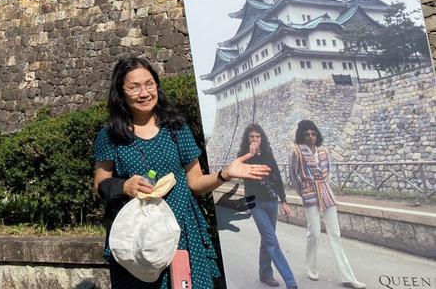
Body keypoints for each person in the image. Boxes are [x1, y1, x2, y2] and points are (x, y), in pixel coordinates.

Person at [93, 55, 271, 289]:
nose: (144, 93)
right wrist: (125, 186)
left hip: (181, 230)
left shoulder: (176, 127)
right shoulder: (110, 136)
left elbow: (195, 182)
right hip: (139, 238)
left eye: (149, 84)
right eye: (134, 87)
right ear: (121, 93)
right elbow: (100, 184)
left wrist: (225, 174)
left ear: (157, 85)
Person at [288, 120, 366, 289]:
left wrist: (324, 185)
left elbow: (328, 171)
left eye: (313, 133)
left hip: (325, 191)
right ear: (301, 135)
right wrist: (303, 192)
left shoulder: (324, 151)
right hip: (309, 192)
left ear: (317, 134)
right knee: (314, 232)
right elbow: (293, 175)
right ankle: (311, 267)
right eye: (307, 134)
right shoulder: (296, 151)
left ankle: (347, 277)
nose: (311, 137)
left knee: (335, 234)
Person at [237, 123, 298, 289]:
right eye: (252, 136)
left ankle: (265, 274)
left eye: (258, 136)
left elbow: (277, 178)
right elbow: (238, 172)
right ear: (247, 139)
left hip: (271, 201)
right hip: (255, 202)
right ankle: (291, 282)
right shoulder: (242, 156)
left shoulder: (268, 155)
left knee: (267, 238)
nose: (255, 139)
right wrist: (250, 154)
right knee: (271, 240)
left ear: (261, 138)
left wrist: (283, 201)